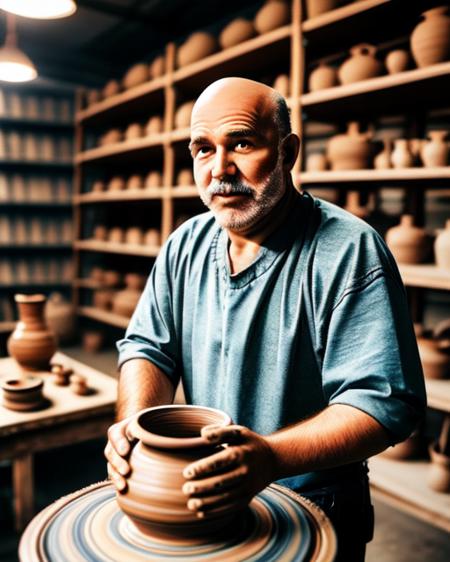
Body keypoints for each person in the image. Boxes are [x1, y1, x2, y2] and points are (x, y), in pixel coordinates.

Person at [105, 77, 426, 561]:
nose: (220, 169)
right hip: (203, 501)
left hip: (313, 510)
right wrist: (135, 431)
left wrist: (269, 459)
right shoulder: (184, 245)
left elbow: (384, 402)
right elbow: (147, 348)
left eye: (242, 143)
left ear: (288, 151)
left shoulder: (348, 251)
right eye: (202, 150)